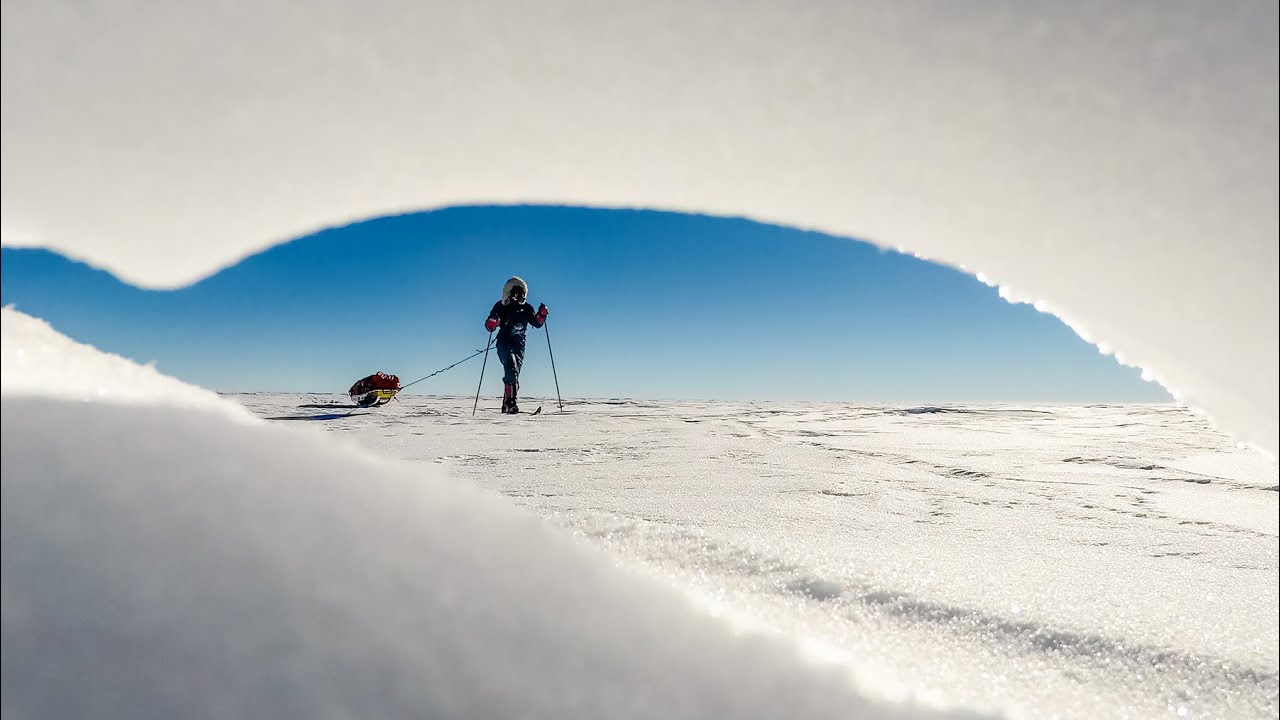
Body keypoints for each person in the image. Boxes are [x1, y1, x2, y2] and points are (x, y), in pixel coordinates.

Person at [484, 276, 548, 413]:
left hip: (519, 346)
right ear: (509, 291)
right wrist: (493, 321)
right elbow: (489, 326)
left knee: (513, 374)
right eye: (516, 291)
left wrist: (542, 315)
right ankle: (510, 403)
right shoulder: (501, 307)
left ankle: (506, 404)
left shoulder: (527, 308)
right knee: (511, 369)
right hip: (504, 342)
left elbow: (537, 323)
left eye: (521, 292)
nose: (519, 295)